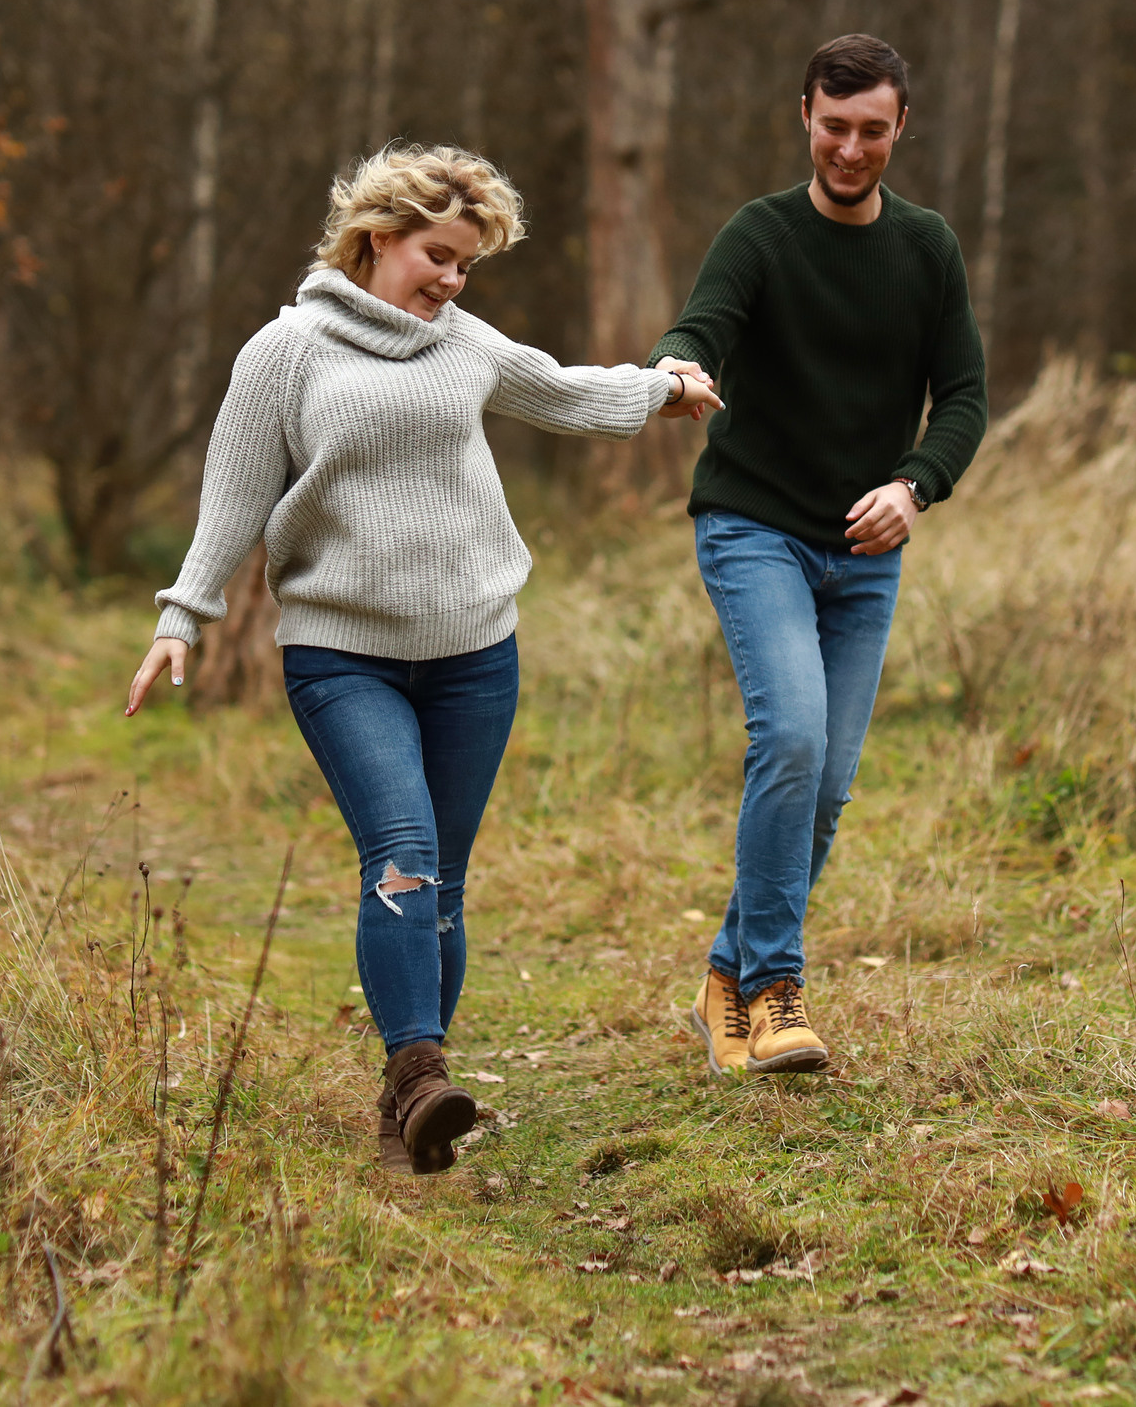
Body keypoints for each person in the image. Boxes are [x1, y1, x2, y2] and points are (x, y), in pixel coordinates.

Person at [124, 145, 719, 1171]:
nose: (450, 280)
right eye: (437, 256)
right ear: (376, 237)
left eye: (466, 266)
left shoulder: (462, 341)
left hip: (474, 653)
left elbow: (562, 391)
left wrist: (659, 387)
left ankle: (414, 1107)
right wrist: (183, 616)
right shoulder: (289, 350)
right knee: (400, 856)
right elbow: (233, 495)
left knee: (441, 885)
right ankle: (417, 1078)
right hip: (341, 653)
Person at [651, 34, 987, 1076]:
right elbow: (700, 324)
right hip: (755, 528)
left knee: (827, 783)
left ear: (899, 130)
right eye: (833, 127)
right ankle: (773, 990)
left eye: (871, 131)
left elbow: (964, 396)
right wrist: (683, 368)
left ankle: (722, 976)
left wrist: (914, 484)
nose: (850, 148)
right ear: (805, 115)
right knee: (789, 739)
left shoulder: (926, 248)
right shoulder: (760, 234)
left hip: (865, 548)